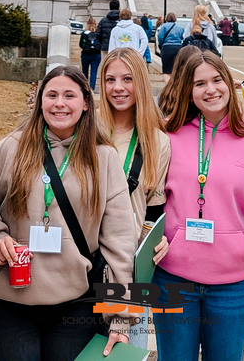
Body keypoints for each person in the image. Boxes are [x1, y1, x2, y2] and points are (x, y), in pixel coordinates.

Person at [0, 66, 135, 360]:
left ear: (86, 102)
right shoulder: (11, 147)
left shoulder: (105, 158)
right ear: (40, 101)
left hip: (77, 307)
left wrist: (121, 317)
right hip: (6, 307)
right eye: (52, 95)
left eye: (69, 95)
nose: (59, 103)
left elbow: (121, 243)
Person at [151, 50, 244, 361]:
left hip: (232, 283)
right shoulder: (166, 134)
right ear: (188, 92)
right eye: (199, 84)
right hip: (173, 277)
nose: (210, 90)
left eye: (217, 80)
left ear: (230, 84)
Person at [96, 48, 172, 347]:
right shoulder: (86, 128)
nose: (118, 88)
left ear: (140, 82)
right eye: (110, 79)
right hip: (81, 259)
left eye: (127, 79)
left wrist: (151, 244)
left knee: (125, 350)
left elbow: (154, 210)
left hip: (128, 264)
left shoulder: (158, 141)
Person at [156, 12, 185, 78]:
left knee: (166, 70)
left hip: (167, 47)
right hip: (178, 47)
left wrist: (161, 44)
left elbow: (160, 37)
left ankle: (168, 84)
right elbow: (183, 38)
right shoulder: (180, 28)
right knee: (177, 68)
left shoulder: (163, 26)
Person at [79, 18, 102, 91]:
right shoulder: (98, 33)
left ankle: (85, 86)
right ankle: (92, 87)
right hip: (96, 54)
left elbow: (81, 45)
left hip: (86, 54)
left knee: (85, 70)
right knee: (94, 71)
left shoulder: (84, 33)